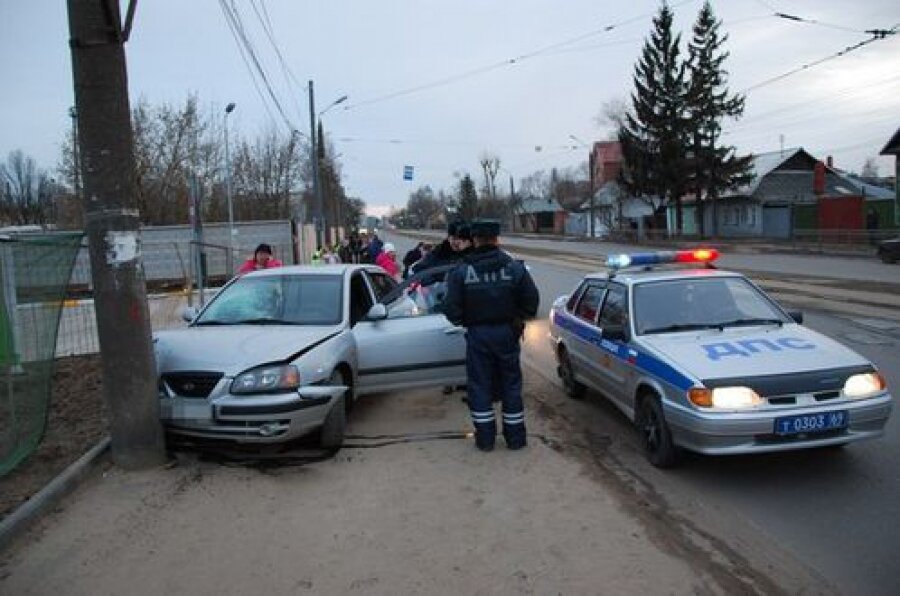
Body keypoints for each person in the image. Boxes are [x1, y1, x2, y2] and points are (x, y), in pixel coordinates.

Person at [444, 220, 539, 452]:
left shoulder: (461, 271)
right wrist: (517, 321)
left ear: (474, 240)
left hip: (478, 335)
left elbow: (451, 310)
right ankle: (515, 440)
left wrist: (467, 321)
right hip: (507, 333)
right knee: (511, 385)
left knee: (479, 386)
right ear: (497, 239)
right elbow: (532, 302)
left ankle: (485, 441)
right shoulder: (515, 268)